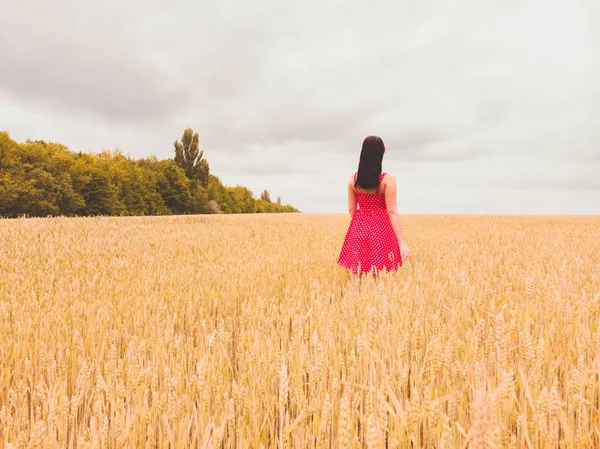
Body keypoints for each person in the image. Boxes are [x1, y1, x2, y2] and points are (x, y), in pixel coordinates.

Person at [338, 135, 412, 275]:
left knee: (358, 273)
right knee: (379, 274)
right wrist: (402, 243)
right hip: (381, 230)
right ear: (381, 153)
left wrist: (362, 224)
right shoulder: (387, 180)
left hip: (359, 228)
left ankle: (355, 297)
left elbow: (351, 209)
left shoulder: (353, 180)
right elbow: (392, 211)